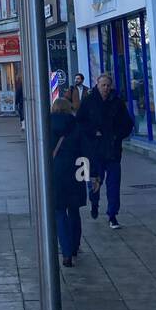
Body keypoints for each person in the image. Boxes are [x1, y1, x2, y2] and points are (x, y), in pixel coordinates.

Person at [76, 71, 134, 229]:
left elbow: (128, 124)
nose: (106, 88)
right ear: (97, 85)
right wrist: (92, 131)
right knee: (95, 183)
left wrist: (118, 136)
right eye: (103, 85)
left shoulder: (117, 103)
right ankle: (94, 203)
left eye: (108, 85)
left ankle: (112, 215)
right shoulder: (88, 101)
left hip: (113, 151)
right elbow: (79, 122)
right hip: (94, 152)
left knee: (114, 184)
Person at [51, 97, 87, 267]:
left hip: (56, 173)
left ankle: (65, 252)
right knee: (74, 210)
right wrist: (88, 176)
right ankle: (74, 247)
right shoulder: (77, 126)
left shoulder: (46, 126)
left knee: (59, 212)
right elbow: (85, 151)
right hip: (76, 171)